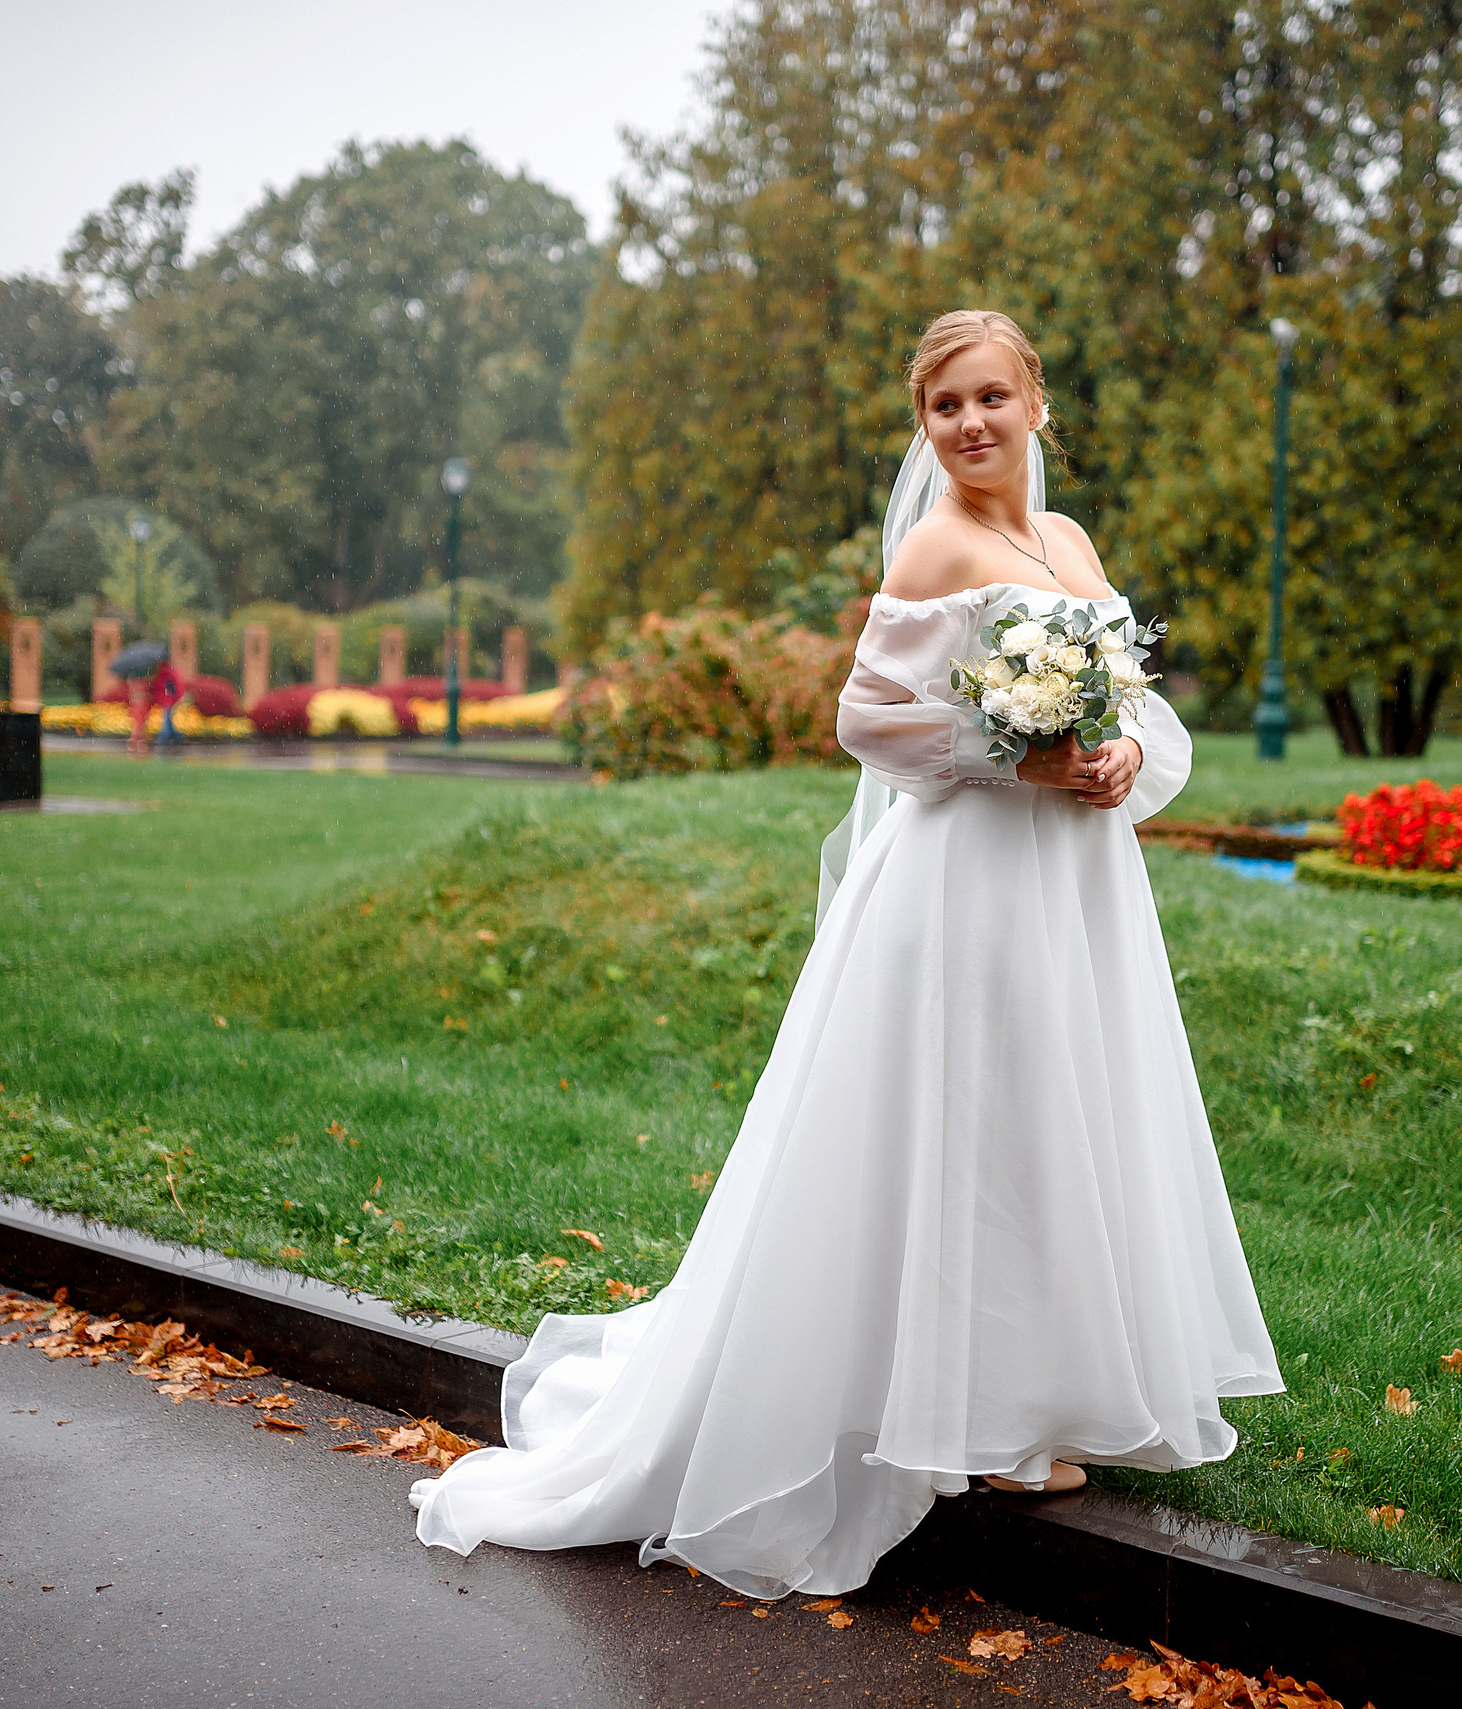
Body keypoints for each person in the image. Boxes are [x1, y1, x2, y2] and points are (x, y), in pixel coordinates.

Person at [409, 309, 1282, 1599]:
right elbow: (868, 722)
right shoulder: (936, 548)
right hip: (971, 879)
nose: (970, 423)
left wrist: (1121, 754)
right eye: (945, 406)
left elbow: (1136, 701)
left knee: (1063, 1113)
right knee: (980, 1120)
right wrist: (1017, 757)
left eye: (991, 397)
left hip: (1077, 879)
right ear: (924, 425)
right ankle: (974, 1417)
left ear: (1036, 403)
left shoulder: (1070, 543)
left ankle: (1051, 1393)